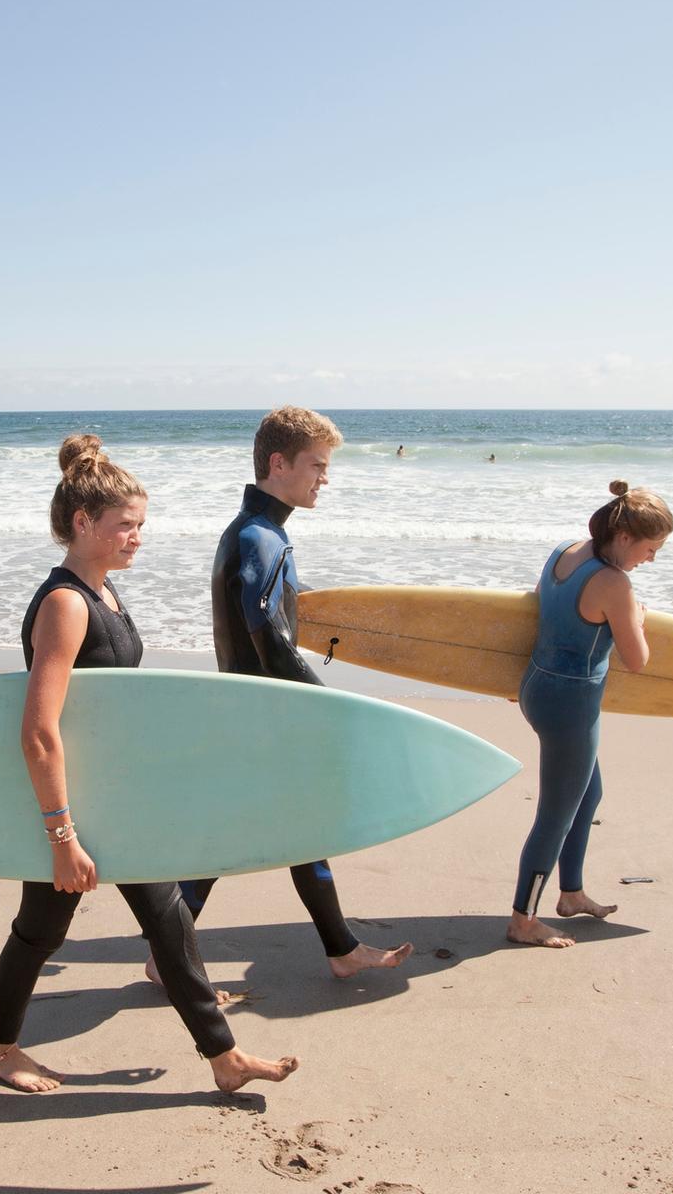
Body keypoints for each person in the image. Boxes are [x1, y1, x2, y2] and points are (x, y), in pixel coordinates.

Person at [0, 434, 299, 1093]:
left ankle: (224, 1058)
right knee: (40, 932)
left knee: (169, 921)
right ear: (82, 523)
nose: (137, 538)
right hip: (74, 806)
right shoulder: (66, 604)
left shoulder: (104, 596)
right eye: (126, 526)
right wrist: (63, 836)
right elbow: (39, 731)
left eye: (141, 526)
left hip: (116, 800)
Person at [168, 407, 413, 980]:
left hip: (252, 714)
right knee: (261, 832)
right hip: (267, 718)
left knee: (265, 832)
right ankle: (336, 948)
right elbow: (270, 639)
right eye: (316, 465)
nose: (324, 478)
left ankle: (339, 948)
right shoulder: (260, 538)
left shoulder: (250, 532)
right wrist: (329, 706)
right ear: (278, 464)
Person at [508, 480, 673, 949]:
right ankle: (523, 918)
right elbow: (637, 659)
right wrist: (636, 616)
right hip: (572, 704)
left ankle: (572, 893)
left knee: (588, 792)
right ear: (624, 538)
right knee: (555, 813)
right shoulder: (613, 583)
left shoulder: (566, 550)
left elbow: (540, 605)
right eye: (650, 547)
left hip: (537, 686)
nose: (652, 558)